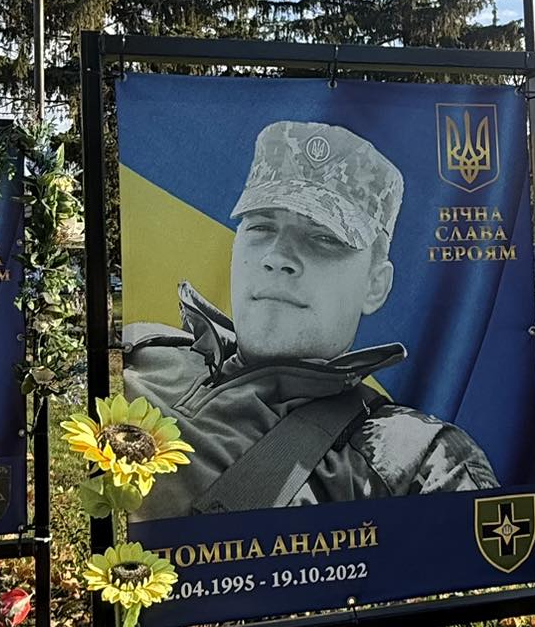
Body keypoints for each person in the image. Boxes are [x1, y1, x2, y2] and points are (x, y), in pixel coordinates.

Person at [123, 119, 498, 516]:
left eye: (323, 238)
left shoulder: (416, 459)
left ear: (375, 285)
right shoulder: (139, 349)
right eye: (261, 226)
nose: (277, 257)